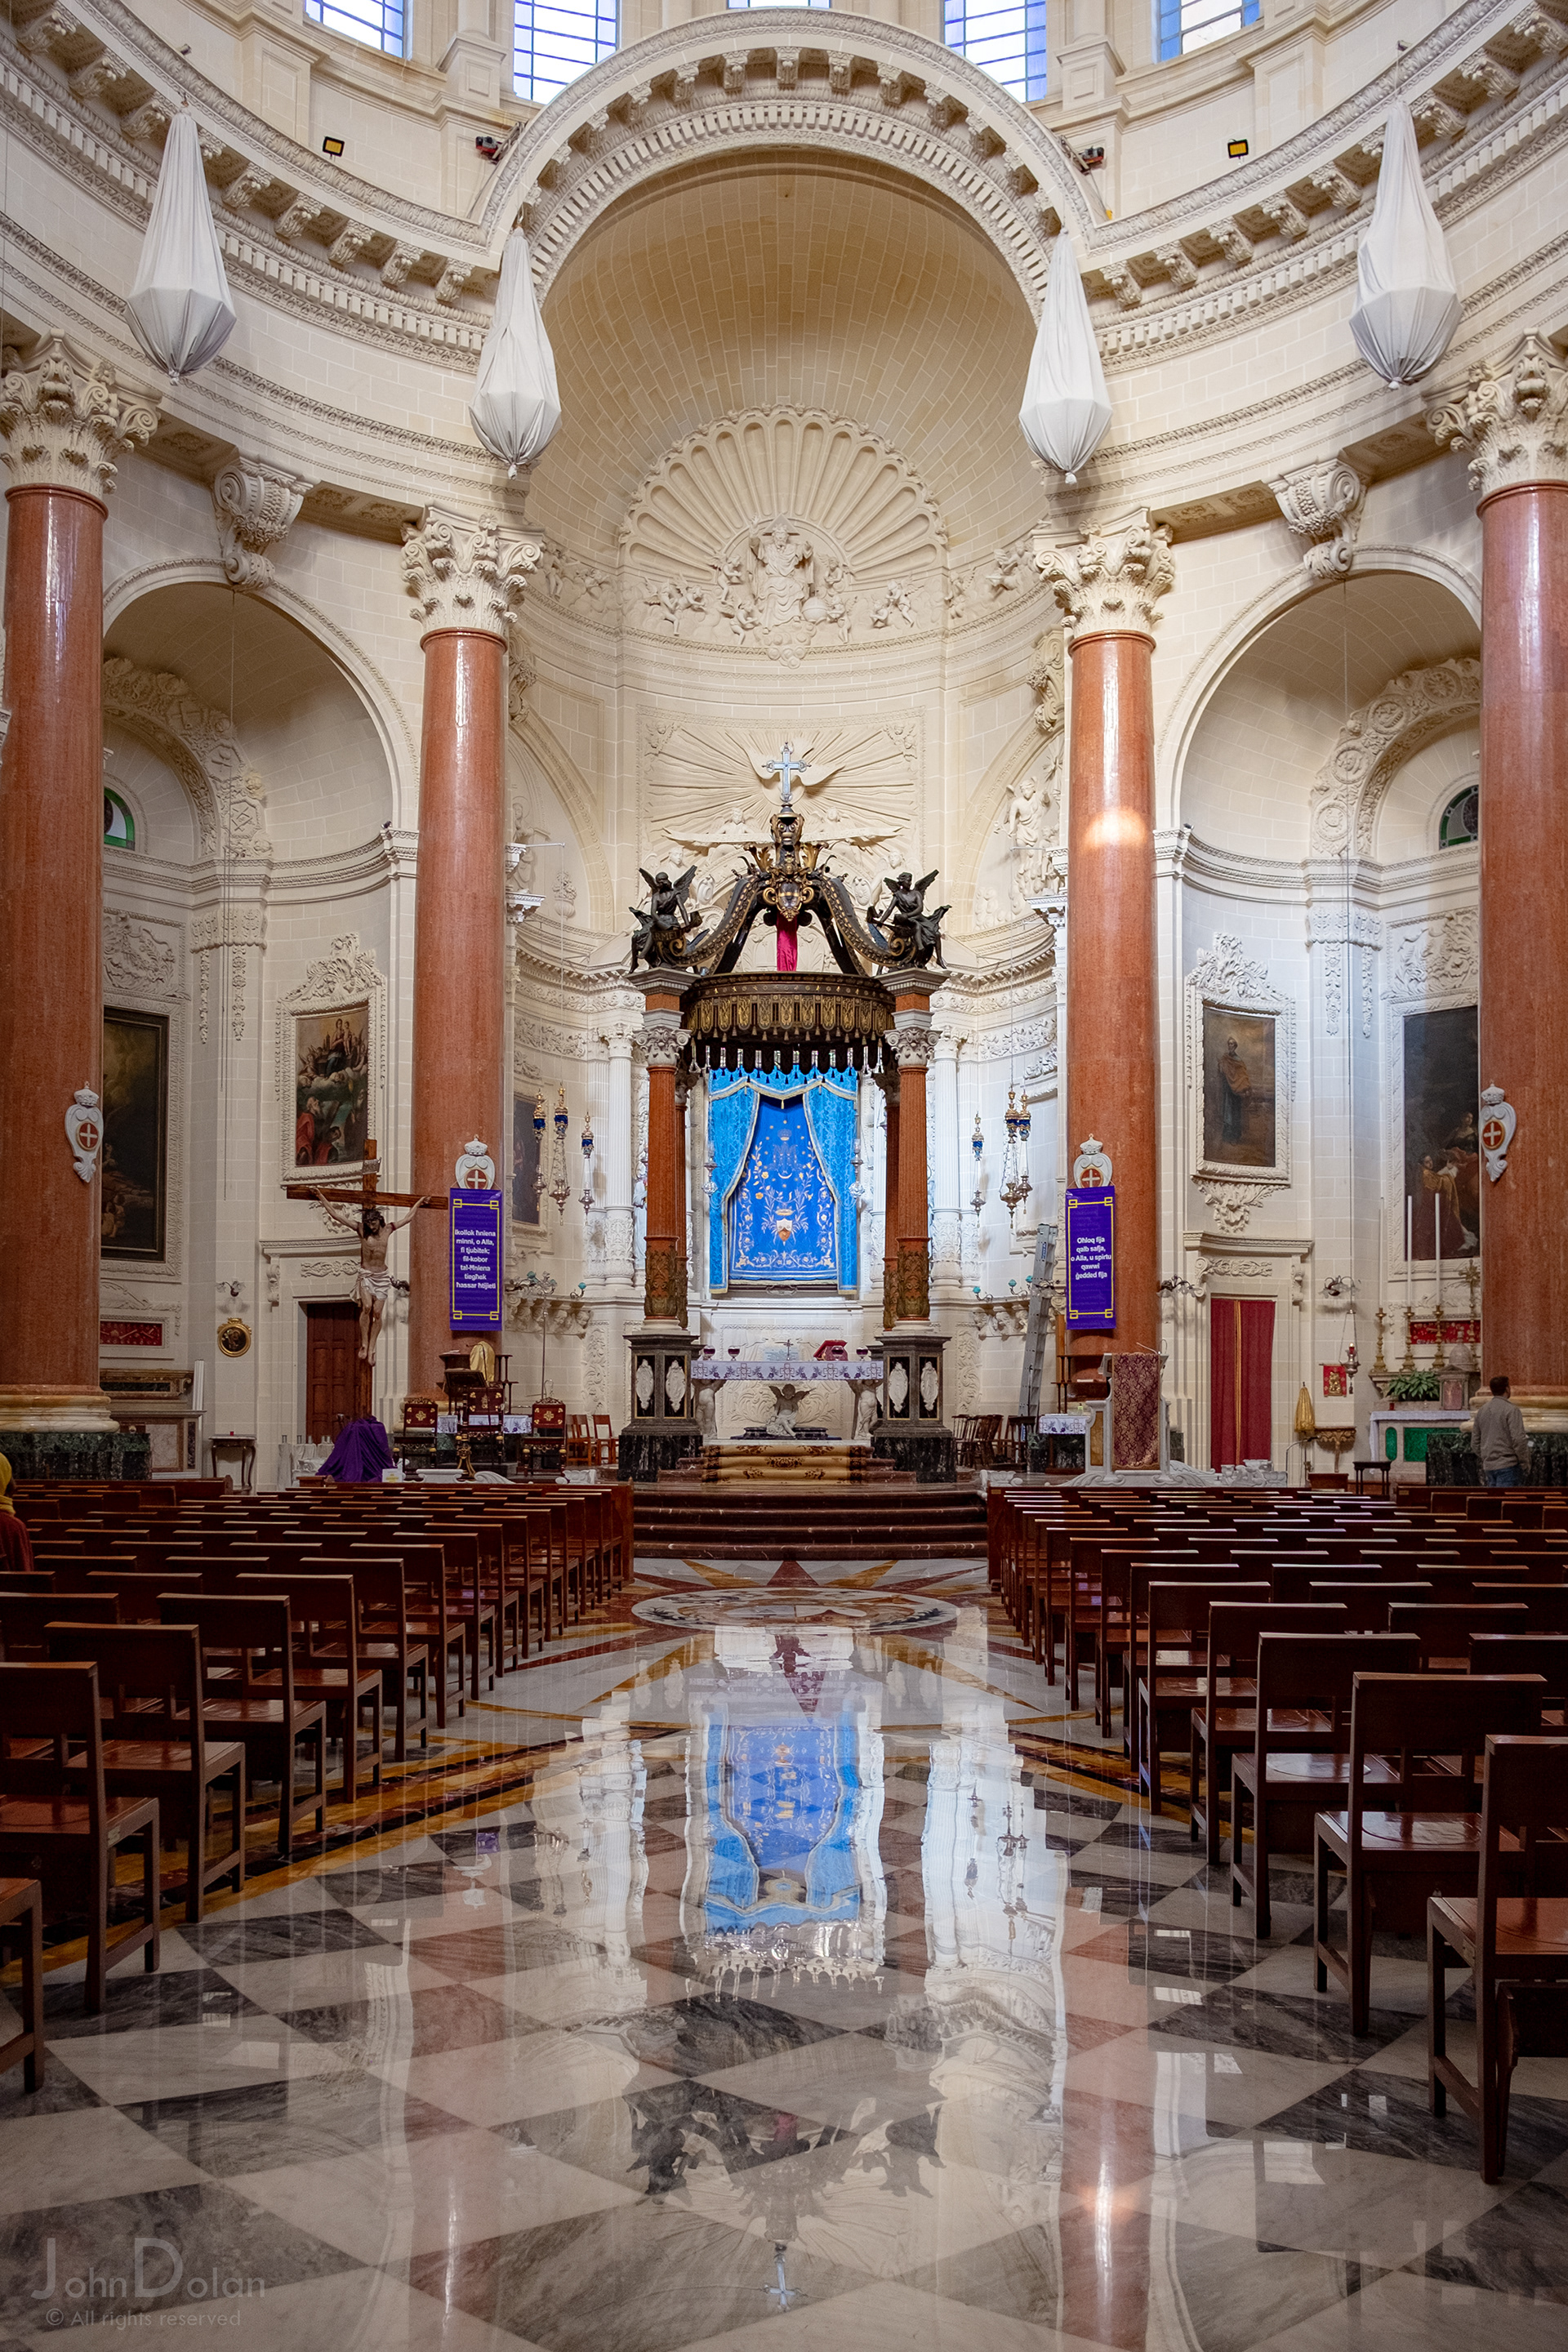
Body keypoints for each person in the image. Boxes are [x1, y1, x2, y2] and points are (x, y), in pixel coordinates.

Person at [1468, 1372, 1532, 1488]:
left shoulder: (1482, 1411)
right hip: (1508, 1466)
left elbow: (1474, 1443)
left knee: (1494, 1503)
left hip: (1489, 1467)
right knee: (1507, 1502)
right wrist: (1524, 1461)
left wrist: (1487, 1457)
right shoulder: (1511, 1410)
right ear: (1507, 1389)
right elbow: (1518, 1439)